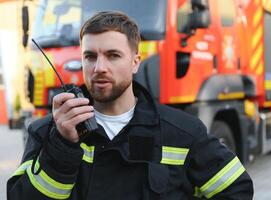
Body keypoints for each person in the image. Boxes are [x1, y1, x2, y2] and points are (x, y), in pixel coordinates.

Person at [7, 11, 253, 199]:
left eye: (113, 55)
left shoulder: (183, 132)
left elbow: (237, 189)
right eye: (90, 56)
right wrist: (62, 146)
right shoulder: (48, 132)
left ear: (135, 62)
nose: (99, 67)